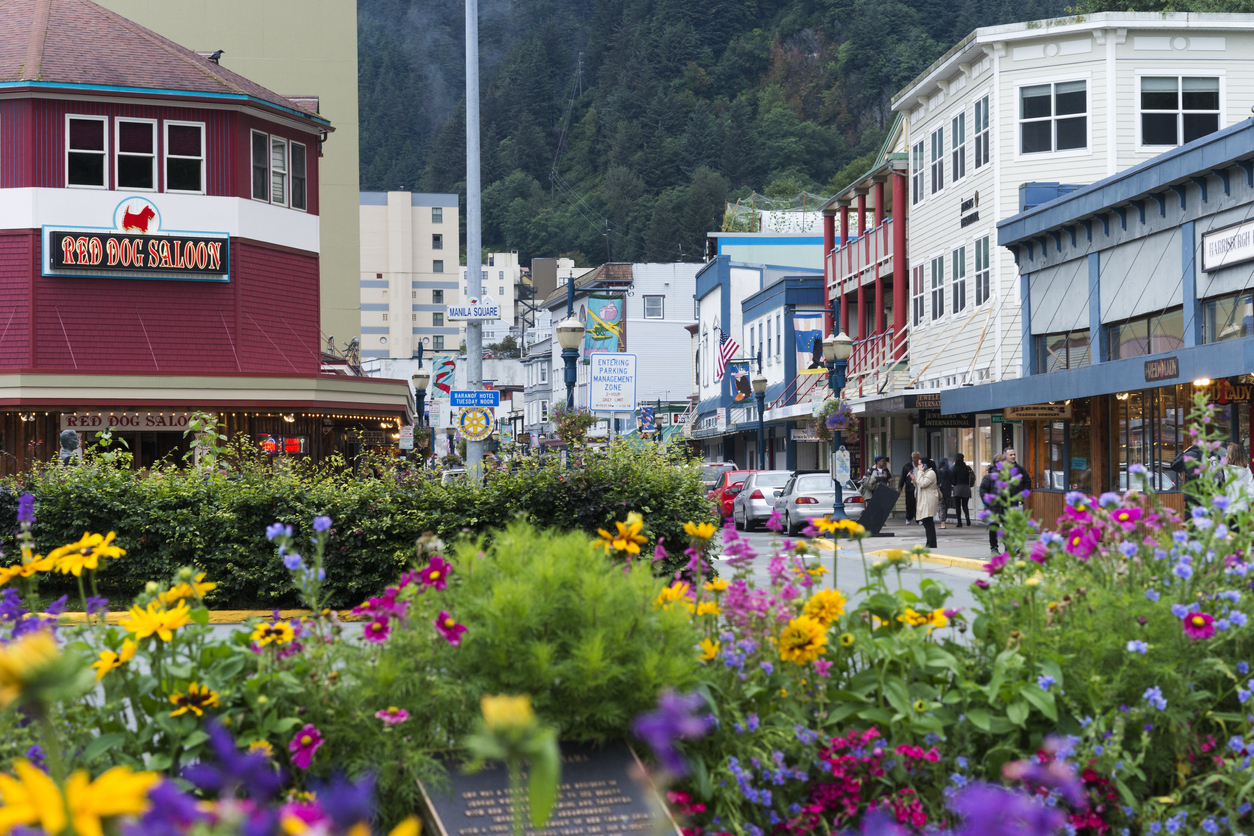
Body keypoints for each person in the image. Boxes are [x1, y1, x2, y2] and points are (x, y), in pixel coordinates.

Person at [980, 454, 1006, 554]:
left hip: (1005, 506)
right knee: (994, 527)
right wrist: (988, 502)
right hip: (993, 507)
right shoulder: (989, 477)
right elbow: (983, 490)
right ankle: (994, 547)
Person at [1170, 442, 1205, 510]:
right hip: (1208, 495)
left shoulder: (1189, 455)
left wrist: (1183, 452)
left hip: (1192, 495)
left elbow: (1174, 465)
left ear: (1193, 442)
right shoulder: (1211, 455)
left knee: (1190, 519)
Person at [914, 457, 941, 548]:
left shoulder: (931, 473)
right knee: (926, 522)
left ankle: (931, 544)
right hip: (924, 499)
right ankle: (930, 542)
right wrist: (915, 478)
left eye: (919, 464)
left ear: (924, 465)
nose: (918, 466)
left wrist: (920, 473)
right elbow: (919, 483)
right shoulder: (925, 473)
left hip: (928, 499)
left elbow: (922, 484)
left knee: (928, 521)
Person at [1225, 442, 1254, 515]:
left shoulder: (1224, 470)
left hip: (1227, 509)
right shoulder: (1247, 470)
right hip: (1242, 509)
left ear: (1229, 455)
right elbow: (1252, 492)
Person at [951, 453, 974, 528]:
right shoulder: (967, 468)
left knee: (958, 506)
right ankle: (967, 518)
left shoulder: (954, 468)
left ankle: (959, 522)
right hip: (966, 487)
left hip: (958, 487)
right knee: (965, 505)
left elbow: (953, 480)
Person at [899, 452, 921, 524]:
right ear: (912, 458)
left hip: (920, 487)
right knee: (909, 503)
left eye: (918, 457)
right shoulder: (907, 467)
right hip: (910, 487)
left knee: (919, 503)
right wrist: (900, 487)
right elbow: (902, 477)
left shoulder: (921, 466)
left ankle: (918, 519)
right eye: (915, 457)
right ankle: (908, 518)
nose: (916, 459)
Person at [937, 457, 954, 530]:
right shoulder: (949, 472)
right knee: (945, 507)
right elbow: (953, 481)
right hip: (948, 490)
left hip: (940, 490)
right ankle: (943, 521)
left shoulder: (937, 472)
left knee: (941, 507)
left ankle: (942, 522)